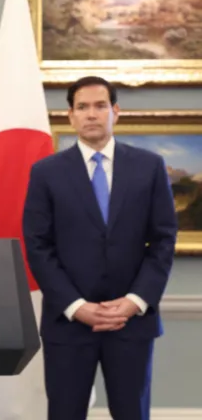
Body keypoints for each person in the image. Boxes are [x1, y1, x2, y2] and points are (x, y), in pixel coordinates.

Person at [23, 76, 177, 420]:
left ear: (115, 111)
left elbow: (164, 239)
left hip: (131, 322)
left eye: (100, 105)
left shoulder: (149, 167)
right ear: (70, 116)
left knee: (132, 413)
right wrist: (76, 306)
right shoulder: (46, 173)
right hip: (69, 321)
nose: (91, 114)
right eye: (82, 107)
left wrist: (134, 302)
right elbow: (37, 245)